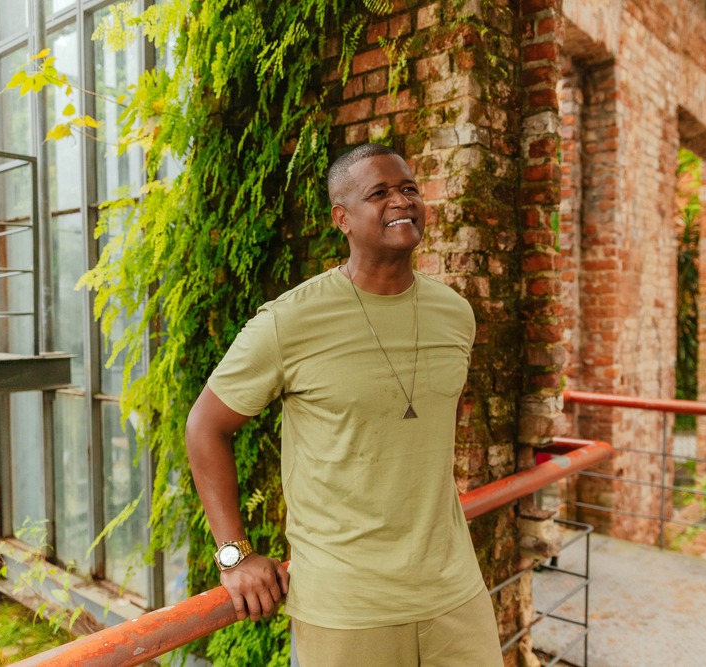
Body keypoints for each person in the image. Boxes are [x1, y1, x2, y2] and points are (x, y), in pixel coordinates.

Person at [185, 143, 504, 666]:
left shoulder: (456, 315)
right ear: (342, 219)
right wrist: (233, 556)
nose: (401, 201)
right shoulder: (289, 322)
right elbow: (205, 426)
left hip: (455, 595)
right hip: (346, 610)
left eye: (409, 189)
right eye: (379, 192)